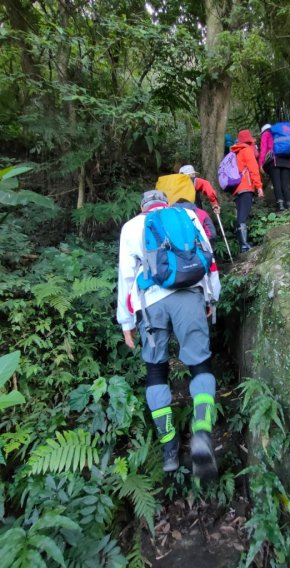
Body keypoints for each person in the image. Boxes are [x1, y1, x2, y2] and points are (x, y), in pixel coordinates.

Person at [116, 190, 221, 480]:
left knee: (156, 372)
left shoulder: (130, 227)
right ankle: (201, 432)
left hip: (151, 305)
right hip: (189, 295)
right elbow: (207, 259)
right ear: (166, 203)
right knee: (199, 363)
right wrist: (211, 297)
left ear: (142, 207)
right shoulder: (186, 215)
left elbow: (126, 276)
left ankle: (169, 447)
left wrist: (126, 321)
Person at [229, 129, 264, 252]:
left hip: (236, 189)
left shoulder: (235, 152)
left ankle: (243, 244)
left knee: (240, 215)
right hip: (245, 187)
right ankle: (244, 245)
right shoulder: (247, 150)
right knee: (242, 217)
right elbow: (253, 169)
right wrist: (258, 186)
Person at [259, 123, 290, 212]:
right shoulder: (280, 134)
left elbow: (263, 150)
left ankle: (280, 206)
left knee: (277, 184)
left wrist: (261, 164)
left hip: (274, 162)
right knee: (285, 185)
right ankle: (289, 205)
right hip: (286, 162)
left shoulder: (265, 134)